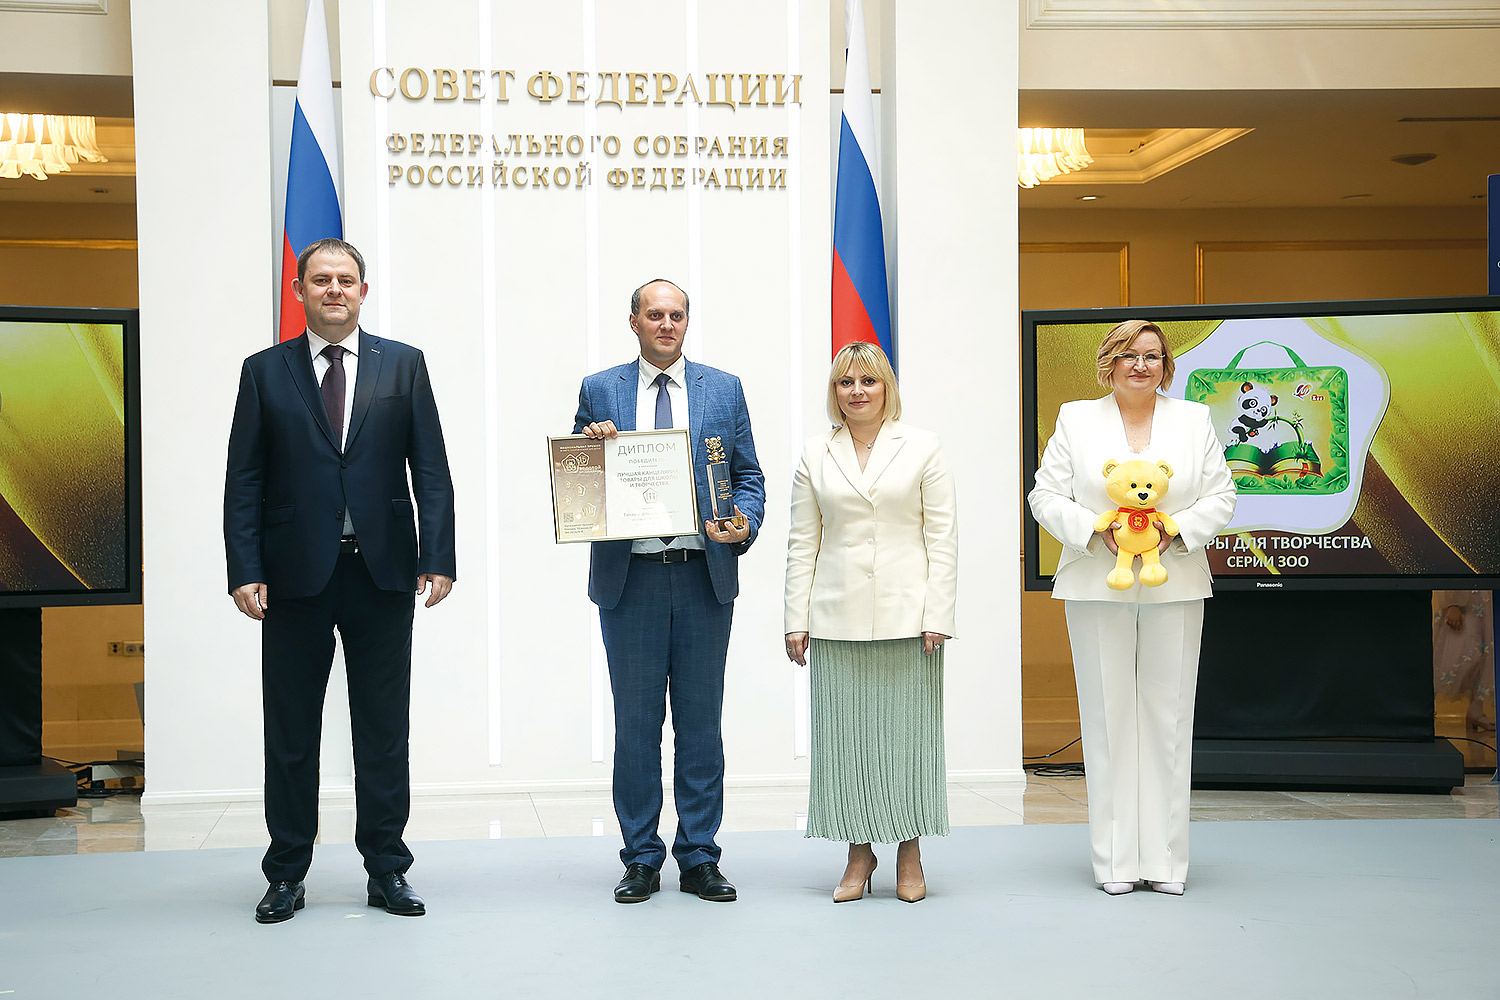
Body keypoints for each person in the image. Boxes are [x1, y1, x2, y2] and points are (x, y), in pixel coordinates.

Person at [224, 238, 455, 924]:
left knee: (382, 730)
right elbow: (245, 479)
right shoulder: (264, 372)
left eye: (345, 280)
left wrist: (437, 555)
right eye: (320, 280)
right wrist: (245, 568)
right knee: (291, 730)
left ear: (363, 290)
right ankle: (287, 872)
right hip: (293, 577)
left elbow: (432, 470)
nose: (334, 290)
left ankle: (387, 868)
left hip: (382, 573)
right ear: (299, 291)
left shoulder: (403, 366)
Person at [573, 278, 766, 904]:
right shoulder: (600, 389)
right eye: (654, 314)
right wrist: (591, 453)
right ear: (633, 321)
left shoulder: (723, 389)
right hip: (631, 581)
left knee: (701, 724)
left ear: (688, 322)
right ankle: (640, 857)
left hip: (703, 575)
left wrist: (743, 521)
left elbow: (749, 478)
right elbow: (578, 486)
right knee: (636, 725)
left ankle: (700, 856)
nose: (666, 324)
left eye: (676, 315)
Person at [1027, 319, 1236, 896]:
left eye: (1152, 355)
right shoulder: (1076, 418)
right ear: (1109, 363)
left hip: (1177, 580)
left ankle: (1167, 862)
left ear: (1166, 364)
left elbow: (1222, 495)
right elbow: (1044, 494)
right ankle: (1116, 863)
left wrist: (1177, 532)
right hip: (1098, 580)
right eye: (1129, 356)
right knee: (1107, 718)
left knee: (1169, 721)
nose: (1141, 365)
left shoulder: (1193, 420)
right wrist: (1097, 534)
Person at [784, 341, 957, 904]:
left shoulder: (923, 447)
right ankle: (859, 852)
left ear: (888, 388)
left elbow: (942, 539)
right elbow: (803, 541)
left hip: (911, 617)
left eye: (868, 381)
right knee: (847, 740)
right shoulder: (816, 452)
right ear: (834, 393)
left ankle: (909, 848)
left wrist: (939, 613)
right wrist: (795, 618)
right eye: (844, 383)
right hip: (835, 615)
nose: (856, 392)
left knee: (908, 738)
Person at [1432, 591, 1495, 732]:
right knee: (1456, 656)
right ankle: (1425, 707)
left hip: (1484, 597)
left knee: (1484, 654)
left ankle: (1476, 709)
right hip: (1464, 597)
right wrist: (1452, 603)